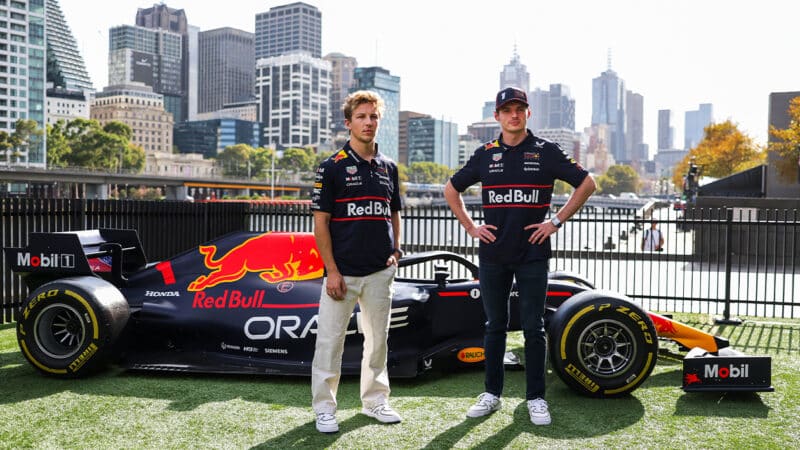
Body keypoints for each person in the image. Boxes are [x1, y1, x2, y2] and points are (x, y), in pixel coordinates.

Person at [444, 86, 596, 426]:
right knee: (494, 326)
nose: (514, 114)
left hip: (533, 255)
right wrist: (471, 228)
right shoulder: (485, 154)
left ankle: (536, 398)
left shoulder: (546, 151)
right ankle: (492, 394)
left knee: (533, 327)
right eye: (507, 109)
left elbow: (587, 183)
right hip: (493, 254)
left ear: (528, 114)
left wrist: (555, 222)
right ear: (497, 116)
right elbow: (451, 189)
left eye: (520, 109)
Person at [310, 90, 403, 434]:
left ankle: (375, 401)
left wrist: (396, 251)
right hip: (342, 274)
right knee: (330, 343)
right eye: (362, 117)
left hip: (380, 271)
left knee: (378, 341)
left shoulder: (389, 168)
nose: (368, 122)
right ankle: (324, 408)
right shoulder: (331, 166)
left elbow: (393, 213)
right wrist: (331, 271)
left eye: (373, 117)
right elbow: (320, 222)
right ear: (349, 123)